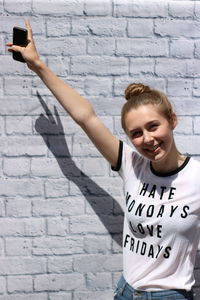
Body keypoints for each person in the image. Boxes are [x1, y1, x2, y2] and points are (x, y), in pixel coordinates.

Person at [6, 20, 199, 300]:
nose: (147, 139)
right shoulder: (133, 166)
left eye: (153, 126)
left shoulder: (196, 177)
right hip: (126, 291)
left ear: (172, 121)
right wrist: (38, 66)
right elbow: (86, 118)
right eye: (136, 133)